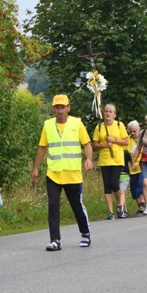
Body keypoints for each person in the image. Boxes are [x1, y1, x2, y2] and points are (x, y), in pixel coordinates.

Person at [31, 95, 93, 251]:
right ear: (53, 109)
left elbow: (87, 144)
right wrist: (36, 167)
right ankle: (55, 240)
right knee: (53, 206)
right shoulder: (48, 125)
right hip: (54, 173)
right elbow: (42, 147)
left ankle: (85, 233)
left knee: (76, 205)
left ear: (68, 108)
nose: (59, 110)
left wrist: (89, 159)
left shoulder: (77, 123)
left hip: (72, 173)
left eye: (62, 107)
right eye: (57, 107)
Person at [93, 104, 129, 220]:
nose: (108, 113)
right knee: (107, 186)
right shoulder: (99, 127)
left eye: (110, 112)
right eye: (106, 111)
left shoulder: (119, 125)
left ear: (114, 114)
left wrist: (114, 141)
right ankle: (110, 212)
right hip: (104, 160)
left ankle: (120, 205)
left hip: (117, 159)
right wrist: (105, 145)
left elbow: (126, 141)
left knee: (114, 184)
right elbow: (95, 144)